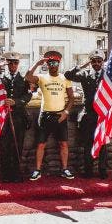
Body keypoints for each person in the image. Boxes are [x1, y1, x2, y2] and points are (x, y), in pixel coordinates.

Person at [25, 51, 75, 181]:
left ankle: (64, 169)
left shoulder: (65, 78)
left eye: (55, 63)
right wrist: (37, 63)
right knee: (41, 144)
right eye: (50, 63)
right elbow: (28, 77)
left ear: (59, 63)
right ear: (47, 65)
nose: (53, 65)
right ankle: (37, 170)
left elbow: (71, 98)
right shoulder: (42, 78)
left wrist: (66, 112)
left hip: (60, 116)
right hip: (45, 115)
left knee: (63, 144)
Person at [64, 49, 108, 179]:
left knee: (103, 144)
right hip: (88, 114)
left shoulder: (108, 75)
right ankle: (88, 171)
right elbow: (68, 75)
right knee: (88, 143)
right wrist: (82, 65)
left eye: (99, 61)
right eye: (93, 61)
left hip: (102, 115)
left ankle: (102, 170)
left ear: (102, 62)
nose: (96, 64)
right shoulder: (85, 74)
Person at [0, 52, 33, 183]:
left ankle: (16, 173)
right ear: (7, 64)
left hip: (19, 116)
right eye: (10, 63)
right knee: (4, 145)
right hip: (4, 117)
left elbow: (28, 96)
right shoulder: (1, 78)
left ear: (18, 64)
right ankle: (5, 174)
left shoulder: (24, 79)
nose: (13, 65)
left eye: (15, 63)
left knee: (17, 145)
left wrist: (16, 102)